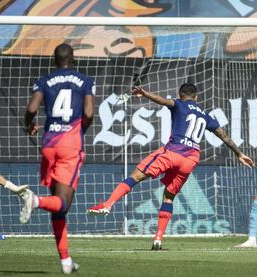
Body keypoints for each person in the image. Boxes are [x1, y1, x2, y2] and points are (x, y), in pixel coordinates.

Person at [87, 84, 254, 250]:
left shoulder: (179, 104)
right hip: (190, 160)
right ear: (196, 97)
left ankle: (108, 204)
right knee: (168, 196)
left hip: (173, 152)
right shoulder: (205, 115)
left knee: (135, 177)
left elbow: (163, 101)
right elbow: (222, 133)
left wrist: (144, 93)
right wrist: (239, 153)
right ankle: (158, 238)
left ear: (180, 95)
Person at [21, 43, 95, 274]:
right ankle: (36, 201)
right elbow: (89, 112)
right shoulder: (85, 81)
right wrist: (79, 131)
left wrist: (28, 125)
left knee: (59, 209)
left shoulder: (44, 80)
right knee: (63, 204)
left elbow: (32, 108)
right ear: (73, 59)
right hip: (69, 145)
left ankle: (65, 261)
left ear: (55, 60)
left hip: (49, 144)